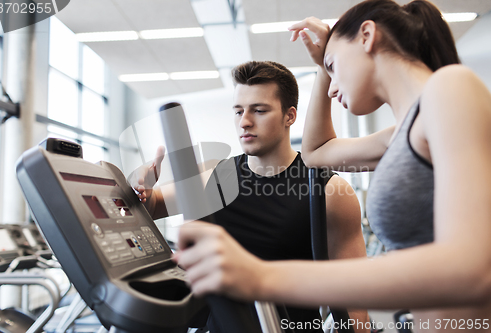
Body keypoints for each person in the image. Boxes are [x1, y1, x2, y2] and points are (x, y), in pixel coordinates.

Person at [173, 0, 491, 331]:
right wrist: (324, 67)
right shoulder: (402, 134)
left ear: (367, 35)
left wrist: (262, 276)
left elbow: (474, 269)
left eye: (333, 67)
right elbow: (317, 152)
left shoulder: (451, 85)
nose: (334, 85)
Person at [131, 61, 369, 332]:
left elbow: (354, 298)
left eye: (259, 110)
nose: (244, 121)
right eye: (238, 111)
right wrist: (143, 188)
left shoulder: (330, 192)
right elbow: (151, 206)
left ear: (289, 116)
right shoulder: (214, 178)